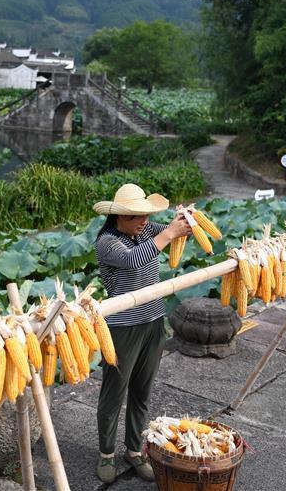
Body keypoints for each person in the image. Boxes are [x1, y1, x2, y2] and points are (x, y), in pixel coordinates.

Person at [91, 183, 192, 483]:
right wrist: (169, 233)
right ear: (120, 216)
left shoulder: (145, 230)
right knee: (114, 392)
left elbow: (177, 234)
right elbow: (134, 259)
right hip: (124, 326)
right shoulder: (107, 242)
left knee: (142, 391)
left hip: (153, 320)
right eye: (137, 216)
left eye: (146, 215)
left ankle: (134, 450)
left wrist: (186, 221)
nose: (144, 221)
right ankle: (106, 453)